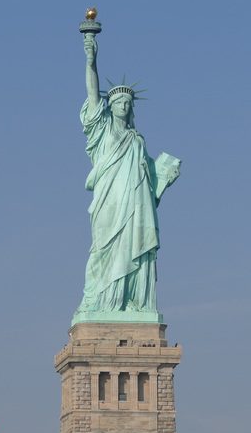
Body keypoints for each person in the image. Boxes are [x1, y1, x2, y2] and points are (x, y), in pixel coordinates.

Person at [74, 30, 180, 318]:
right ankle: (101, 301)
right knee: (102, 250)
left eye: (127, 103)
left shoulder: (137, 141)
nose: (123, 105)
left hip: (135, 206)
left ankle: (133, 301)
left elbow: (149, 184)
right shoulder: (102, 130)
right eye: (118, 102)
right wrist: (90, 61)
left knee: (135, 247)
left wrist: (164, 178)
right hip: (109, 201)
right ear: (110, 107)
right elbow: (92, 93)